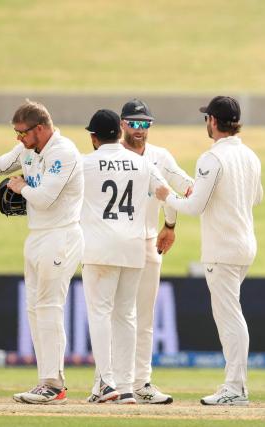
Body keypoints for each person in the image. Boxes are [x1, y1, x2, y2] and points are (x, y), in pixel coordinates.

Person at [0, 100, 84, 405]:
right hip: (37, 236)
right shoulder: (28, 150)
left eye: (21, 133)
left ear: (39, 129)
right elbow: (0, 164)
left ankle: (54, 383)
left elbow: (45, 198)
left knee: (50, 306)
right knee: (34, 309)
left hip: (61, 236)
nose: (19, 139)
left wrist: (19, 187)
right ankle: (45, 380)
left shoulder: (64, 153)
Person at [155, 96, 263, 406]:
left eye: (207, 119)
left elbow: (193, 207)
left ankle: (235, 387)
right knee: (231, 314)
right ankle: (235, 386)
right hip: (244, 244)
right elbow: (255, 197)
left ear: (213, 121)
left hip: (223, 248)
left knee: (229, 317)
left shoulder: (211, 158)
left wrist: (167, 196)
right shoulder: (250, 155)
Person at [80, 109, 177, 405]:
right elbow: (167, 194)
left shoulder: (84, 163)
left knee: (100, 314)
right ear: (119, 132)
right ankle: (125, 388)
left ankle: (105, 383)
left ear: (94, 138)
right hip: (134, 247)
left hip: (99, 248)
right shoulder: (142, 163)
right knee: (127, 316)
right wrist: (169, 225)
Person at [119, 99, 194, 404]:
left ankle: (141, 382)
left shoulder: (160, 156)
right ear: (122, 124)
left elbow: (182, 186)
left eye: (145, 124)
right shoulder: (109, 155)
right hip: (116, 244)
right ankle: (108, 382)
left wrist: (171, 225)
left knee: (144, 318)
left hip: (149, 241)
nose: (140, 130)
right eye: (134, 123)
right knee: (118, 315)